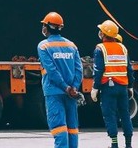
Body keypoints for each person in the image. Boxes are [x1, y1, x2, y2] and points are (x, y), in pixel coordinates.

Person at [37, 12, 82, 148]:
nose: (43, 28)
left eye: (44, 25)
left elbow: (51, 71)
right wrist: (73, 88)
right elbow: (78, 70)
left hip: (54, 92)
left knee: (59, 127)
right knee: (72, 128)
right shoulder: (72, 46)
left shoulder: (43, 46)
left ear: (48, 27)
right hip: (71, 93)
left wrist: (65, 87)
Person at [92, 20, 132, 148]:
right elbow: (129, 69)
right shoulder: (123, 48)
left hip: (108, 87)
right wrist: (130, 86)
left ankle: (114, 144)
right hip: (123, 87)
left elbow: (98, 70)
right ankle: (128, 144)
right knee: (125, 114)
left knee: (110, 114)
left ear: (103, 34)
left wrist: (95, 87)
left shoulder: (100, 48)